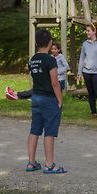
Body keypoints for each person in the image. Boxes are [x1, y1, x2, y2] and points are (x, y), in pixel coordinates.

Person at [26, 28, 66, 174]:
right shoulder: (50, 60)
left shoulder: (33, 59)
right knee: (49, 131)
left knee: (34, 130)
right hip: (48, 99)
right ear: (50, 43)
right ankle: (49, 164)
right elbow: (55, 82)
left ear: (37, 42)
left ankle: (31, 162)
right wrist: (60, 100)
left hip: (35, 97)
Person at [5, 42, 70, 101]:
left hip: (60, 80)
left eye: (55, 49)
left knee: (39, 90)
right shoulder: (51, 57)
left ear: (58, 50)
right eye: (52, 49)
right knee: (40, 90)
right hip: (51, 80)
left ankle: (17, 94)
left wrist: (57, 72)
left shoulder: (61, 57)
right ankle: (18, 94)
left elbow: (66, 66)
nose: (53, 50)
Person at [77, 22, 97, 118]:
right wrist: (79, 72)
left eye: (88, 31)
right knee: (90, 93)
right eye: (86, 30)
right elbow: (82, 58)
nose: (86, 32)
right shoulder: (85, 44)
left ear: (94, 31)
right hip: (87, 72)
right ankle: (93, 112)